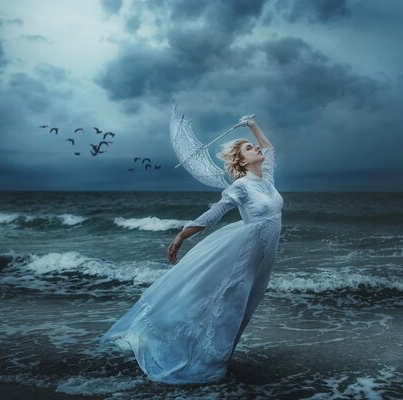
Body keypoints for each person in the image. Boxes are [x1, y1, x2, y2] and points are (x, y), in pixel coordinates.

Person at [100, 119, 283, 384]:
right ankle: (208, 364)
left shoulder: (267, 177)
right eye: (247, 148)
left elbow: (269, 148)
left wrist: (252, 126)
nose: (256, 148)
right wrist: (181, 235)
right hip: (245, 252)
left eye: (253, 146)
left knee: (247, 306)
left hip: (264, 257)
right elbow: (215, 213)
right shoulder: (241, 186)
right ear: (242, 162)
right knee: (229, 304)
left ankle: (219, 356)